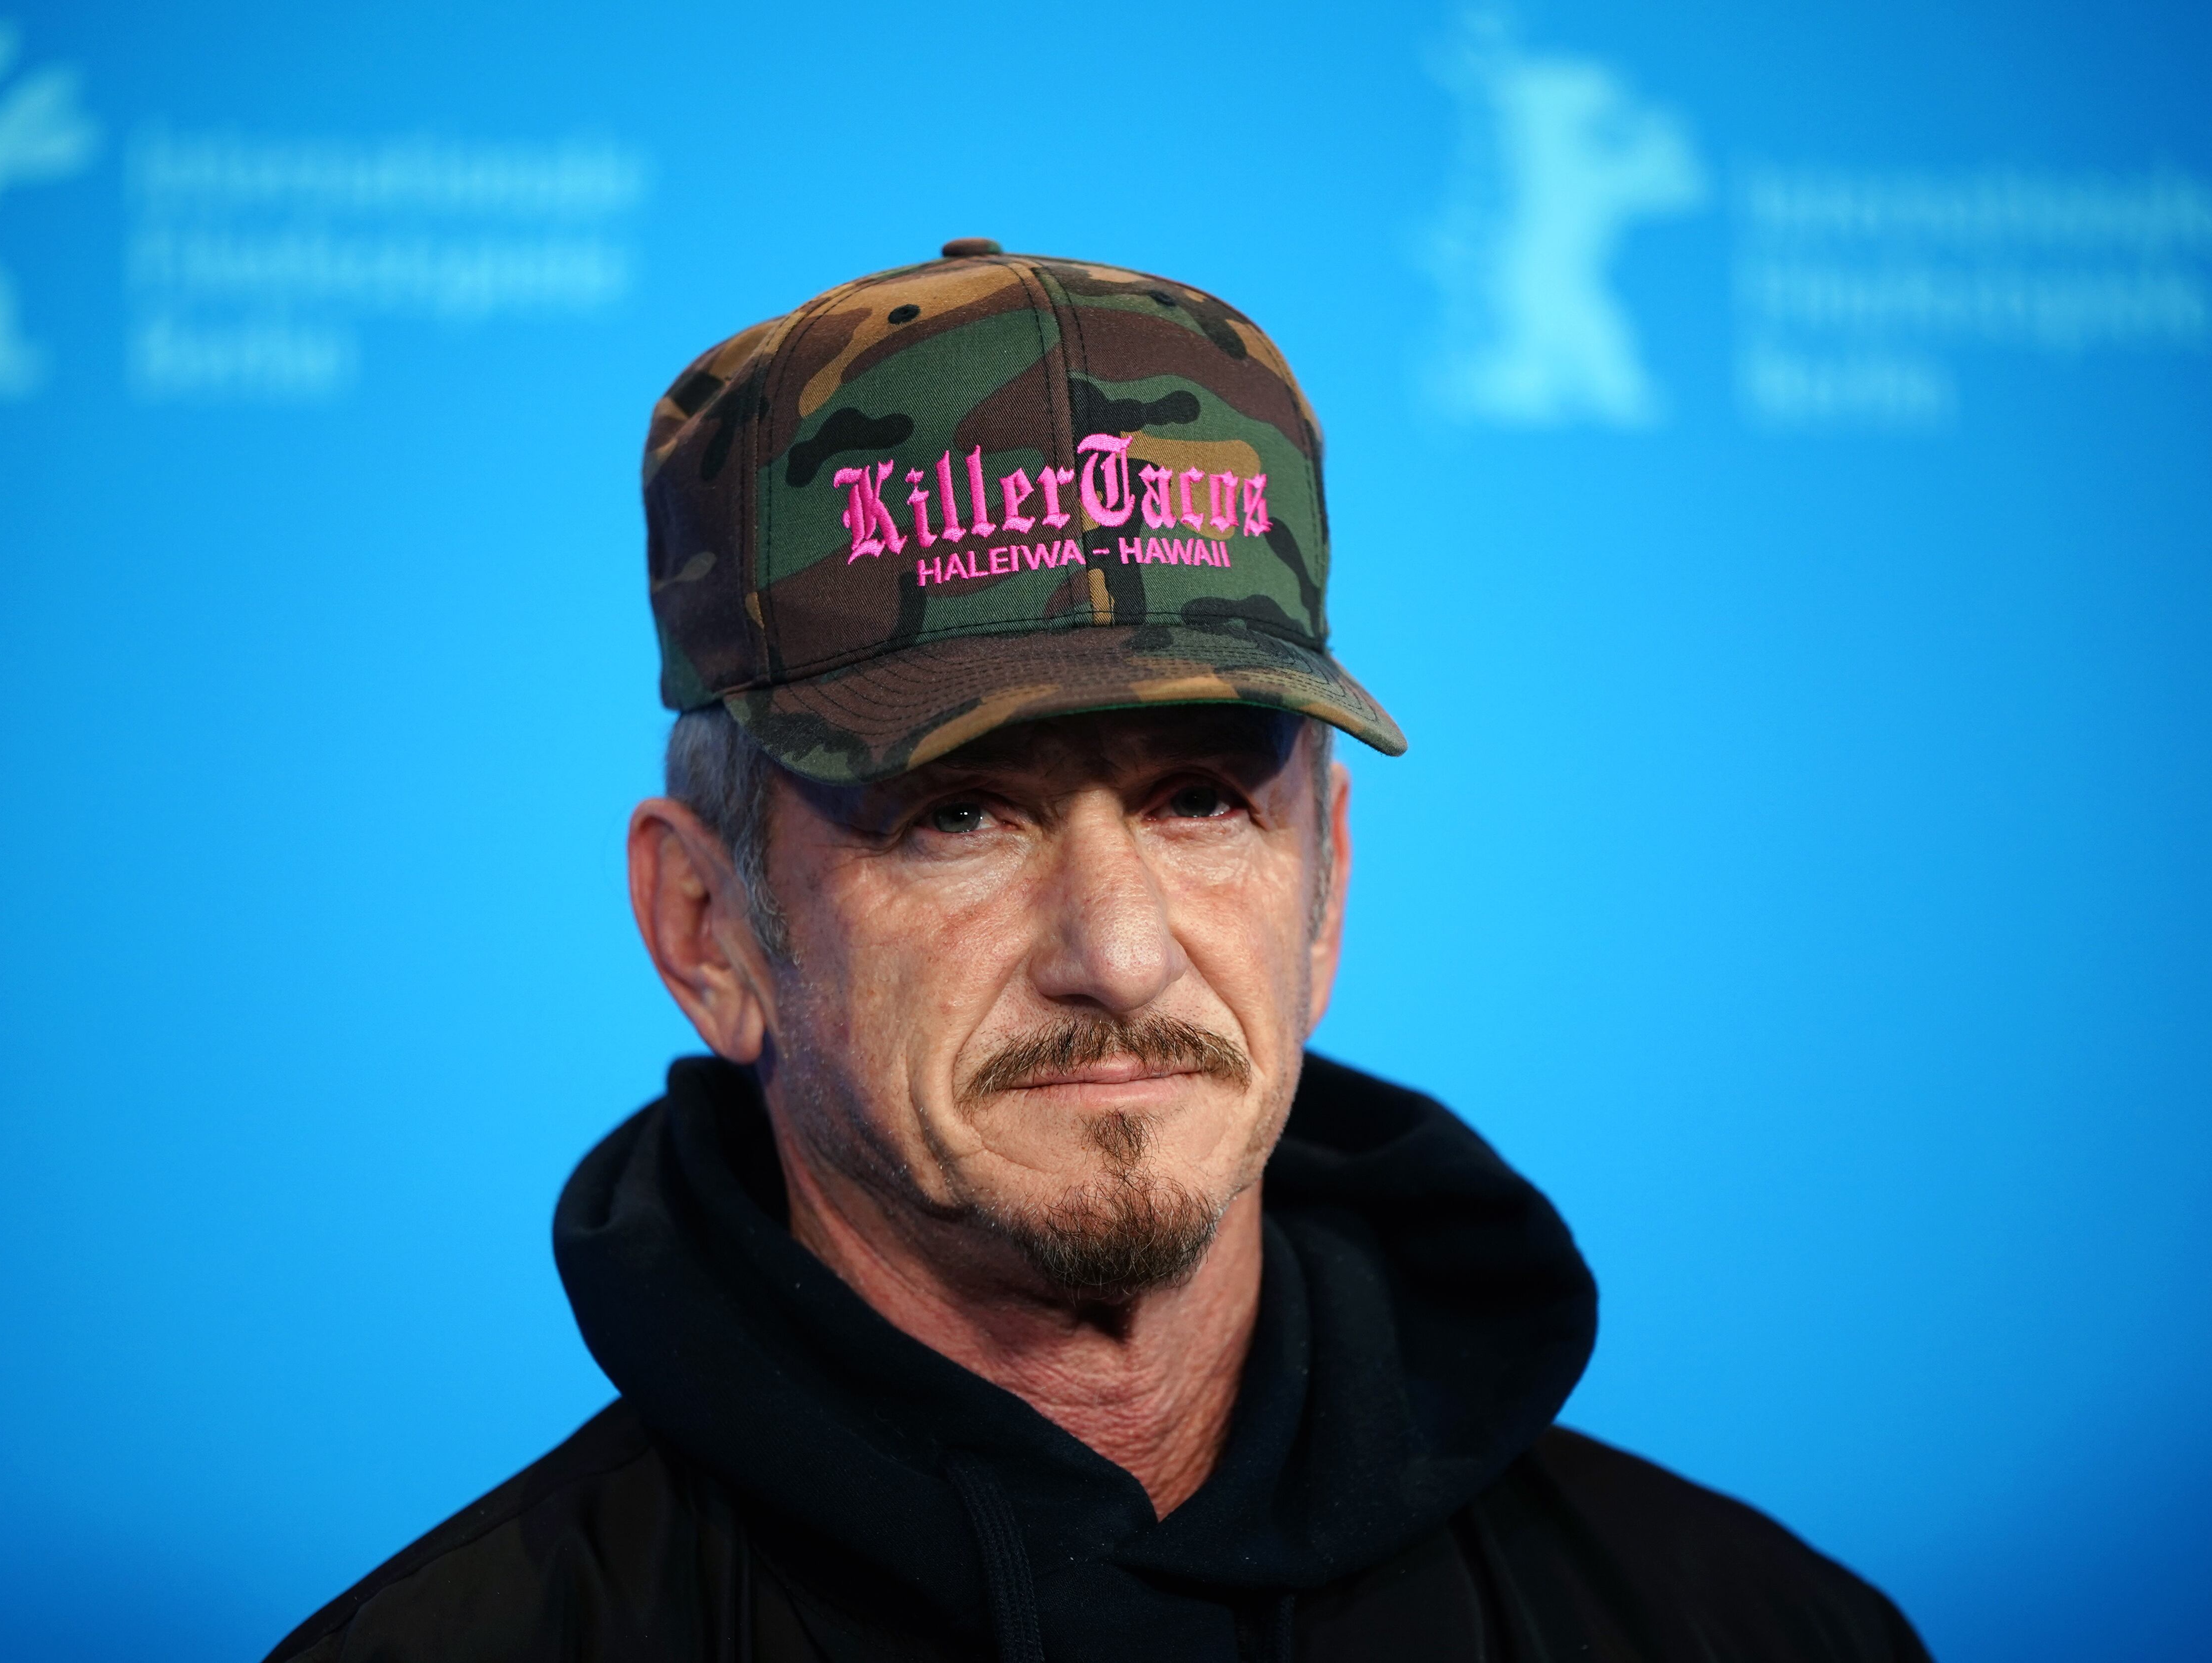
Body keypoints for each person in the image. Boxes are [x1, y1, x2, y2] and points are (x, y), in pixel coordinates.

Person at [265, 240, 1930, 1663]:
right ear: (710, 933)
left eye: (1203, 800)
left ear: (1327, 888)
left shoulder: (1752, 1631)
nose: (1120, 956)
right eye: (956, 817)